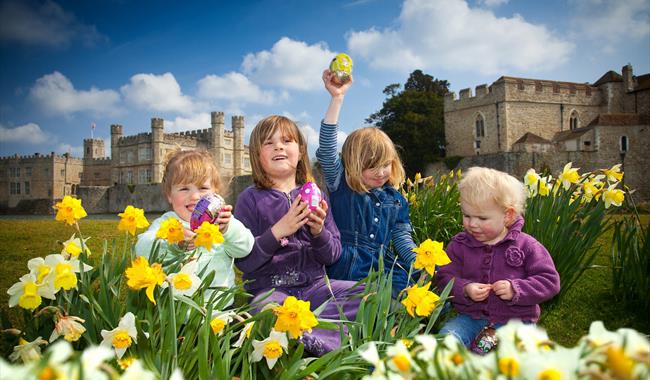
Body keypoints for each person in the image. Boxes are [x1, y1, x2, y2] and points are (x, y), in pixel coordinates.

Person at [234, 115, 363, 356]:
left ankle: (308, 340)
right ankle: (327, 340)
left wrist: (318, 232)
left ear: (301, 150)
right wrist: (277, 232)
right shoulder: (249, 199)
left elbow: (333, 254)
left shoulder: (317, 195)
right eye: (268, 143)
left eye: (286, 140)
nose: (279, 146)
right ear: (256, 154)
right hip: (271, 291)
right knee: (265, 311)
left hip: (315, 288)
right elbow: (244, 262)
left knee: (367, 294)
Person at [317, 69, 417, 298]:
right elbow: (326, 150)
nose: (382, 172)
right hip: (345, 267)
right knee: (355, 307)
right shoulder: (340, 184)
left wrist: (419, 262)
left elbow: (401, 238)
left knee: (411, 296)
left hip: (382, 267)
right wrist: (337, 98)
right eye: (372, 166)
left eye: (386, 164)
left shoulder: (396, 199)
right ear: (352, 164)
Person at [436, 166, 560, 348]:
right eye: (466, 215)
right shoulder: (459, 245)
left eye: (482, 218)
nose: (472, 224)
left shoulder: (527, 246)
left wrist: (516, 289)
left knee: (501, 353)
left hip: (516, 323)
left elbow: (549, 282)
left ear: (507, 216)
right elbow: (443, 278)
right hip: (470, 318)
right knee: (447, 339)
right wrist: (465, 289)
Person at [135, 149, 254, 307]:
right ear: (169, 194)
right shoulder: (168, 223)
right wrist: (172, 242)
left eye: (203, 188)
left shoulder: (222, 222)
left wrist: (228, 229)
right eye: (184, 189)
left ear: (215, 192)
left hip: (219, 310)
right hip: (176, 311)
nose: (195, 196)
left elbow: (245, 248)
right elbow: (141, 249)